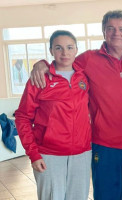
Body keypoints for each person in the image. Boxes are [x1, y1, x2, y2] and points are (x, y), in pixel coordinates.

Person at [30, 10, 122, 200]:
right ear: (103, 31)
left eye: (121, 29)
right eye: (110, 28)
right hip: (105, 145)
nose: (116, 33)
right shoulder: (88, 59)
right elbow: (63, 61)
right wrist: (42, 63)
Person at [15, 30, 92, 200]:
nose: (65, 53)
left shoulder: (84, 76)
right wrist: (33, 154)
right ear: (51, 51)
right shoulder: (40, 78)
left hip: (82, 153)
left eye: (69, 47)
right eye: (58, 48)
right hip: (49, 155)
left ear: (76, 50)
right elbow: (22, 117)